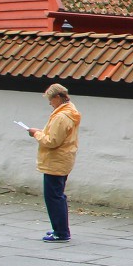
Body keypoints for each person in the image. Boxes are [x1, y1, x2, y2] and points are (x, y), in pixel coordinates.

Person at [28, 83, 82, 242]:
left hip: (55, 160)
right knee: (57, 195)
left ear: (57, 97)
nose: (50, 104)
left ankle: (61, 232)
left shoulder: (61, 116)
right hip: (62, 159)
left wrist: (36, 134)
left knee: (54, 197)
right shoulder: (69, 111)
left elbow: (52, 141)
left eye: (50, 100)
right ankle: (59, 229)